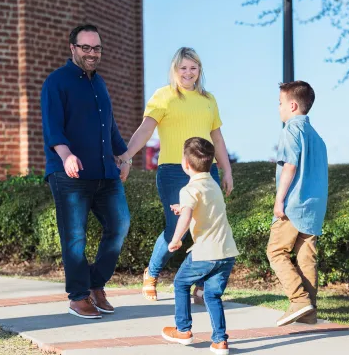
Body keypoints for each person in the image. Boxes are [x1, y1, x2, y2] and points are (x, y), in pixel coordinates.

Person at [124, 47, 233, 303]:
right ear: (175, 70)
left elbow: (216, 137)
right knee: (177, 228)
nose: (188, 72)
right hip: (173, 171)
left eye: (193, 68)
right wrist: (127, 156)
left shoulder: (209, 100)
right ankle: (151, 273)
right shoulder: (163, 97)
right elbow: (145, 130)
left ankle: (202, 285)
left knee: (208, 228)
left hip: (207, 173)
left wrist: (226, 169)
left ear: (199, 71)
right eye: (183, 68)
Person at [41, 24, 132, 319]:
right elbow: (52, 127)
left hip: (106, 172)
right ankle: (78, 297)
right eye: (86, 48)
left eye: (97, 48)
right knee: (75, 238)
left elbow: (110, 127)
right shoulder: (56, 82)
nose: (92, 53)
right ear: (73, 48)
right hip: (70, 175)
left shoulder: (100, 83)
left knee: (120, 225)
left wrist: (125, 156)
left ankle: (95, 285)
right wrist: (66, 156)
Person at [161, 137, 239, 355]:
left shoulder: (189, 189)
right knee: (212, 295)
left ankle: (183, 330)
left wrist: (176, 239)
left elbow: (186, 218)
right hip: (226, 252)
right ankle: (220, 341)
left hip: (205, 252)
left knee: (181, 283)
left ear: (185, 163)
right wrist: (184, 207)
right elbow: (202, 207)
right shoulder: (212, 184)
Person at [266, 81, 328, 326]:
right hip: (313, 208)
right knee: (306, 258)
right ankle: (309, 313)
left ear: (292, 105)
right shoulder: (317, 138)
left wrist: (279, 200)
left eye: (280, 103)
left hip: (293, 205)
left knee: (276, 251)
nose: (279, 107)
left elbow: (289, 166)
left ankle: (298, 300)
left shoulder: (291, 130)